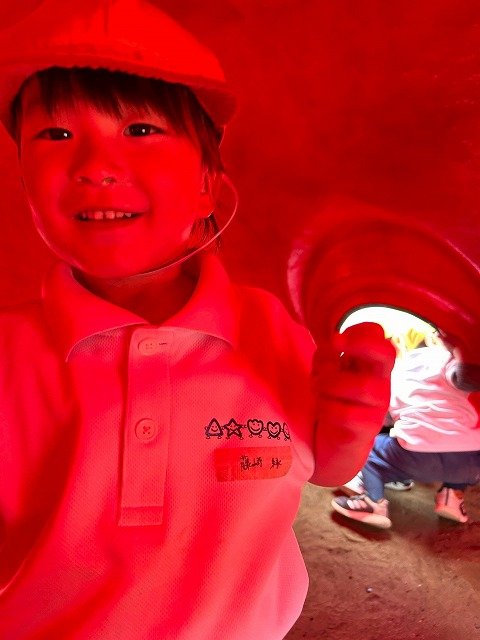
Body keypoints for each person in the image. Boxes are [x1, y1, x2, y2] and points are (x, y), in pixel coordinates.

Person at [0, 1, 396, 638]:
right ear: (24, 183)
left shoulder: (270, 328)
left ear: (208, 184)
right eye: (56, 135)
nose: (95, 166)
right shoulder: (9, 354)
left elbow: (320, 466)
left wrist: (351, 427)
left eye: (140, 130)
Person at [332, 331, 480, 529]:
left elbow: (381, 420)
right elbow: (467, 378)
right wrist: (457, 349)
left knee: (369, 450)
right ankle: (452, 497)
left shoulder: (397, 372)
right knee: (461, 437)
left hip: (416, 455)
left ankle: (373, 501)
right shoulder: (444, 359)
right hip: (470, 463)